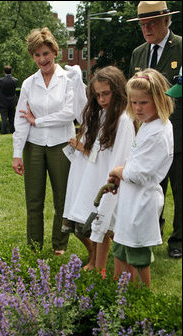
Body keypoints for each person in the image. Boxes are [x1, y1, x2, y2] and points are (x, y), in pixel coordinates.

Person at [62, 66, 135, 276]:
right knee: (98, 223)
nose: (102, 99)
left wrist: (110, 182)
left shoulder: (123, 120)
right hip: (95, 175)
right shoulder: (102, 114)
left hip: (110, 179)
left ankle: (120, 272)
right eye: (98, 95)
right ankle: (98, 265)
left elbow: (120, 156)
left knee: (111, 226)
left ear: (118, 91)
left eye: (106, 94)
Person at [105, 69, 174, 287]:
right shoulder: (148, 126)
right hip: (131, 197)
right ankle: (125, 292)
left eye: (143, 102)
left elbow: (141, 174)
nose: (137, 108)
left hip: (143, 201)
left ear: (159, 100)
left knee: (138, 254)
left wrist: (118, 171)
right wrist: (121, 175)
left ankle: (143, 295)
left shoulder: (159, 132)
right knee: (123, 247)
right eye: (133, 102)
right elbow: (135, 162)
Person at [12, 27, 77, 254]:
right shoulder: (29, 83)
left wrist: (38, 121)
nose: (42, 59)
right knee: (34, 200)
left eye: (46, 53)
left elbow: (70, 113)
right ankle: (34, 247)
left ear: (55, 52)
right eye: (37, 55)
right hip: (34, 147)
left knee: (63, 199)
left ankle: (59, 245)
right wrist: (17, 153)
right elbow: (21, 120)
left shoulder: (68, 79)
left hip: (62, 144)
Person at [128, 1, 182, 259]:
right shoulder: (138, 53)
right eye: (142, 25)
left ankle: (179, 240)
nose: (147, 28)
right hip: (147, 134)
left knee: (179, 190)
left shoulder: (181, 47)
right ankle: (152, 234)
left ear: (166, 22)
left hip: (176, 131)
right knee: (149, 187)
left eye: (151, 23)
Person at [0, 65, 18, 134]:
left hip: (3, 101)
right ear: (11, 71)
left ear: (4, 71)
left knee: (4, 118)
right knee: (12, 117)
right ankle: (12, 131)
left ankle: (4, 131)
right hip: (12, 101)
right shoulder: (15, 80)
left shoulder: (1, 80)